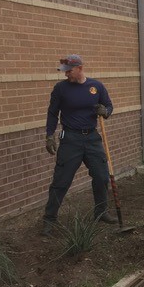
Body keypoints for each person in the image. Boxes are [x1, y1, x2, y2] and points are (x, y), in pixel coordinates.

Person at [42, 54, 116, 236]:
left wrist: (105, 111)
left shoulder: (96, 86)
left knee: (101, 176)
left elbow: (109, 106)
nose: (66, 75)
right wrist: (49, 135)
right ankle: (49, 219)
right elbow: (52, 113)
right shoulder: (60, 89)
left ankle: (101, 212)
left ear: (80, 68)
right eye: (64, 71)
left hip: (92, 139)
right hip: (70, 140)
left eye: (69, 71)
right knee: (61, 180)